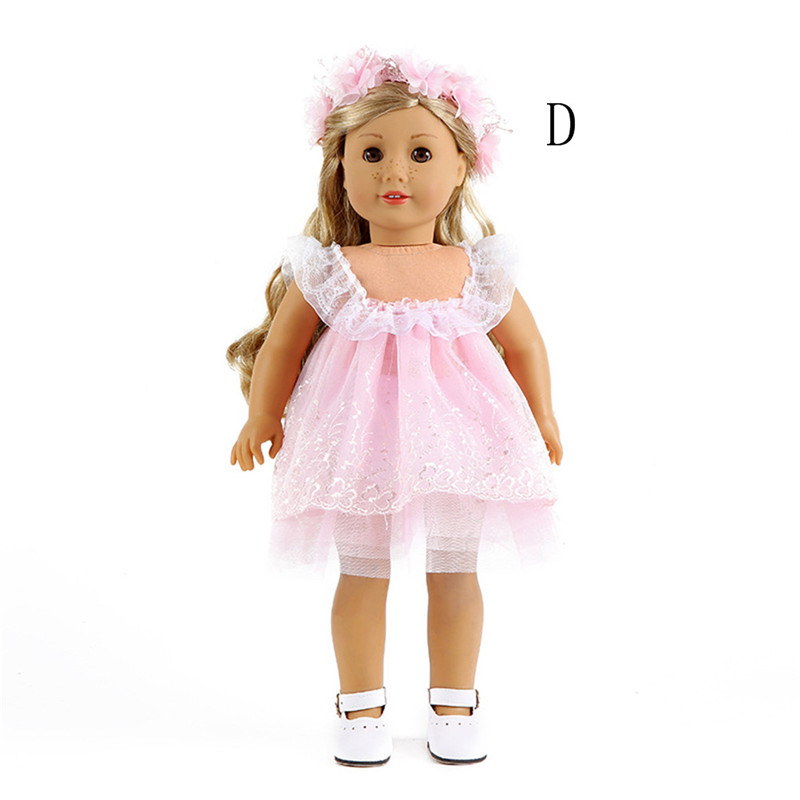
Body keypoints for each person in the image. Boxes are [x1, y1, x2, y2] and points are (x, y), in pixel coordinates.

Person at [227, 48, 563, 767]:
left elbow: (525, 344)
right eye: (372, 154)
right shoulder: (330, 268)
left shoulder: (476, 266)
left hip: (459, 443)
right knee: (362, 573)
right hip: (357, 445)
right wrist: (263, 414)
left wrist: (542, 416)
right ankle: (360, 709)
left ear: (462, 167)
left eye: (420, 153)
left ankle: (455, 703)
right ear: (342, 167)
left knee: (455, 570)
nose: (394, 174)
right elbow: (284, 346)